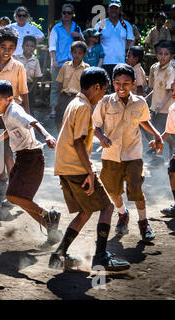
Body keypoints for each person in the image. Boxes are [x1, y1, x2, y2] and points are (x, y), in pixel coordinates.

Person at [49, 67, 131, 272]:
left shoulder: (74, 103)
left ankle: (59, 254)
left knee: (85, 211)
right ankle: (101, 257)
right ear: (96, 87)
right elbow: (78, 142)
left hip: (64, 166)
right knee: (107, 207)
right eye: (103, 91)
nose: (103, 95)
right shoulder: (85, 107)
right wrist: (90, 173)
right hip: (76, 167)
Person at [0, 80, 62, 248]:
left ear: (9, 99)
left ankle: (49, 214)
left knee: (13, 197)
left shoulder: (15, 112)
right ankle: (52, 232)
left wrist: (47, 135)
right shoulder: (7, 112)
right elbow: (9, 130)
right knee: (23, 201)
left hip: (31, 158)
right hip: (24, 157)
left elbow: (33, 122)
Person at [93, 64, 163, 242]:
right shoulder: (105, 102)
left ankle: (143, 222)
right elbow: (95, 126)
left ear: (133, 83)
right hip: (111, 154)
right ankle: (123, 213)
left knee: (136, 189)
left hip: (133, 154)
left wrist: (157, 135)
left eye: (126, 83)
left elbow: (144, 121)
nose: (121, 87)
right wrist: (101, 137)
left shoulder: (139, 102)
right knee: (112, 190)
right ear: (112, 84)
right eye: (117, 83)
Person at [0, 27, 29, 206]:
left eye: (11, 47)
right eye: (3, 47)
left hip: (12, 113)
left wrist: (27, 116)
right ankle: (2, 182)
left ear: (15, 48)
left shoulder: (18, 67)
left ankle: (14, 190)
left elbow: (24, 93)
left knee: (8, 151)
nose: (7, 50)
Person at [49, 3, 83, 118]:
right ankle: (54, 108)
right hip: (59, 61)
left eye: (69, 13)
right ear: (61, 14)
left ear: (72, 14)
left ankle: (71, 108)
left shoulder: (76, 27)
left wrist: (79, 35)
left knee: (73, 86)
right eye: (64, 12)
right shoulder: (56, 28)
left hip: (74, 63)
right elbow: (52, 45)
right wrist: (54, 60)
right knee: (56, 86)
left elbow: (83, 44)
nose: (66, 15)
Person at [146, 40, 175, 159]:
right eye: (160, 54)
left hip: (166, 108)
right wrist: (146, 98)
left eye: (166, 54)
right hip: (156, 106)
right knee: (157, 129)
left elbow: (170, 91)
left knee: (165, 131)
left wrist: (161, 105)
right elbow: (156, 88)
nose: (162, 57)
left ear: (172, 56)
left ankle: (171, 150)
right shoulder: (155, 68)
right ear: (156, 54)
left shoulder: (171, 70)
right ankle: (160, 150)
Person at [94, 0, 134, 85]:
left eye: (116, 8)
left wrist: (129, 59)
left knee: (119, 89)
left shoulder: (126, 25)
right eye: (111, 8)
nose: (113, 10)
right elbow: (93, 41)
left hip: (121, 62)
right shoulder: (101, 24)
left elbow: (130, 43)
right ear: (108, 9)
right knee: (103, 89)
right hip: (104, 62)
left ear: (120, 10)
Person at [55, 41, 89, 132]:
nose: (77, 55)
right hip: (64, 96)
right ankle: (60, 138)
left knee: (75, 120)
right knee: (60, 118)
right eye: (75, 52)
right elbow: (60, 84)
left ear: (84, 54)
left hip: (77, 98)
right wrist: (58, 100)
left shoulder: (86, 68)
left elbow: (87, 87)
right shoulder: (65, 66)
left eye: (80, 53)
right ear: (71, 52)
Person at [153, 80, 175, 217]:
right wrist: (158, 140)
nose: (173, 93)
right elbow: (169, 130)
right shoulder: (173, 109)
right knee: (172, 170)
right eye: (172, 90)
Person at [13, 35, 43, 114]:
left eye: (32, 46)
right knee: (18, 105)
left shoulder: (35, 61)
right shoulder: (17, 58)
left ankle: (30, 124)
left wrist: (31, 89)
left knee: (29, 107)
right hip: (17, 85)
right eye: (27, 46)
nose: (29, 48)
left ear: (35, 48)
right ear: (22, 46)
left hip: (30, 86)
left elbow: (37, 77)